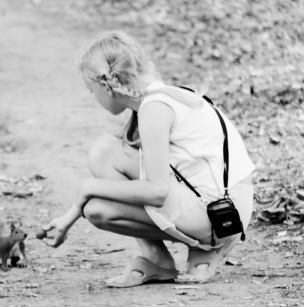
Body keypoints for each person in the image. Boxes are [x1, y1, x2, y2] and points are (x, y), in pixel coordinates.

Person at [41, 30, 255, 287]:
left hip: (219, 215)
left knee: (96, 208)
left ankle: (203, 247)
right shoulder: (162, 96)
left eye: (91, 90)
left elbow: (156, 191)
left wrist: (84, 192)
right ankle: (159, 259)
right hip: (227, 208)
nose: (92, 97)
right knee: (104, 153)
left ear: (107, 85)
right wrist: (74, 210)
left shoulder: (154, 108)